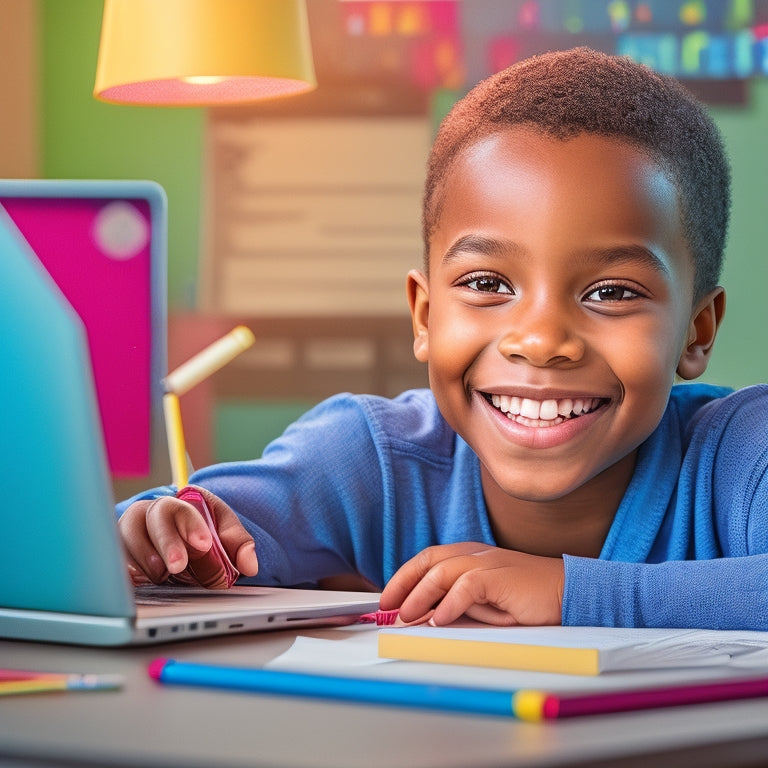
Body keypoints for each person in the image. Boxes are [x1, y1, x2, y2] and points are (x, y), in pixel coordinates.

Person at [118, 47, 768, 630]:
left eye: (613, 293)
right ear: (425, 315)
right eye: (488, 283)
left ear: (696, 330)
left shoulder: (740, 456)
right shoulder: (368, 459)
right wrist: (159, 530)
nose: (540, 341)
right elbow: (205, 523)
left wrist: (574, 593)